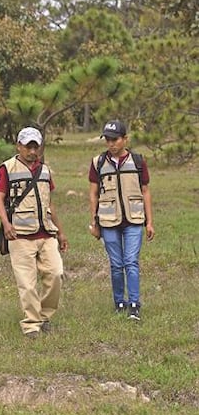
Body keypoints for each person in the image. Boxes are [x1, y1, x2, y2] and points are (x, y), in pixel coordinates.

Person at [0, 126, 68, 339]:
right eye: (28, 146)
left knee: (55, 274)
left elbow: (50, 203)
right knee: (27, 283)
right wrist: (6, 224)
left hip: (46, 234)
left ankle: (44, 316)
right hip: (20, 235)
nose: (32, 151)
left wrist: (60, 232)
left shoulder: (45, 170)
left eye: (36, 146)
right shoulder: (6, 169)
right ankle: (31, 325)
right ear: (19, 146)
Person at [87, 120, 154, 321]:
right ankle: (119, 302)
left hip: (134, 221)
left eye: (115, 139)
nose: (111, 144)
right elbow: (93, 195)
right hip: (108, 221)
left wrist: (149, 222)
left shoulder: (138, 161)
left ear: (125, 139)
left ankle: (134, 305)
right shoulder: (98, 162)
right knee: (116, 265)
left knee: (131, 262)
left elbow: (145, 191)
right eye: (107, 139)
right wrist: (95, 223)